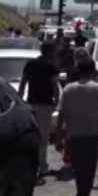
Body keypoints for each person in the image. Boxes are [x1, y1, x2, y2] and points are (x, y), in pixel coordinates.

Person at [55, 59, 98, 196]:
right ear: (92, 71)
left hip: (73, 139)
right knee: (86, 178)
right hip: (92, 139)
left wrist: (59, 138)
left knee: (82, 176)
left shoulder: (68, 89)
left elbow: (62, 116)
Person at [19, 41, 60, 179]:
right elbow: (55, 86)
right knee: (43, 137)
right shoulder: (52, 66)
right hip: (45, 104)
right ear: (51, 51)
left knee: (32, 136)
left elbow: (23, 83)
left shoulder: (30, 64)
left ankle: (31, 165)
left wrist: (20, 100)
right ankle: (42, 166)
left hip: (31, 103)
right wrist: (56, 102)